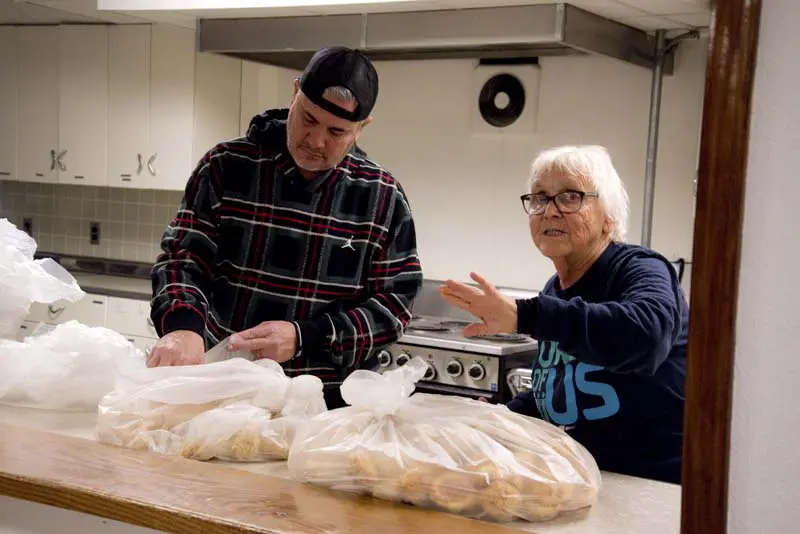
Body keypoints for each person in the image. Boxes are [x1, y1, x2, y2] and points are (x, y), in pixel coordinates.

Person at [147, 46, 424, 409]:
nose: (315, 141)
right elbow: (182, 260)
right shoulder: (227, 166)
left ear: (361, 129)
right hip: (223, 390)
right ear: (295, 93)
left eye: (336, 131)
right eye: (308, 119)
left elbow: (393, 306)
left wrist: (306, 336)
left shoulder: (381, 197)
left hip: (329, 405)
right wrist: (182, 324)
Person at [439, 145, 688, 484]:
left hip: (649, 487)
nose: (550, 212)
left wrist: (524, 315)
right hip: (583, 480)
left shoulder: (641, 269)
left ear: (609, 216)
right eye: (540, 197)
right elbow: (557, 387)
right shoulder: (554, 290)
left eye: (570, 196)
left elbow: (647, 337)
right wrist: (496, 419)